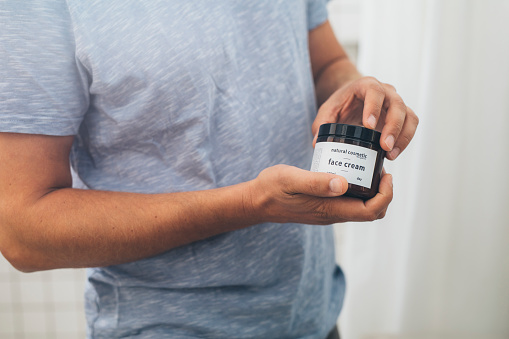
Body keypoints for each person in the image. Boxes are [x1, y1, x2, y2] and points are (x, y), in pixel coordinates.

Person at [0, 1, 418, 338]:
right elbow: (23, 231)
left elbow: (326, 63)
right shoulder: (37, 10)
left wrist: (351, 90)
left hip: (313, 316)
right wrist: (251, 203)